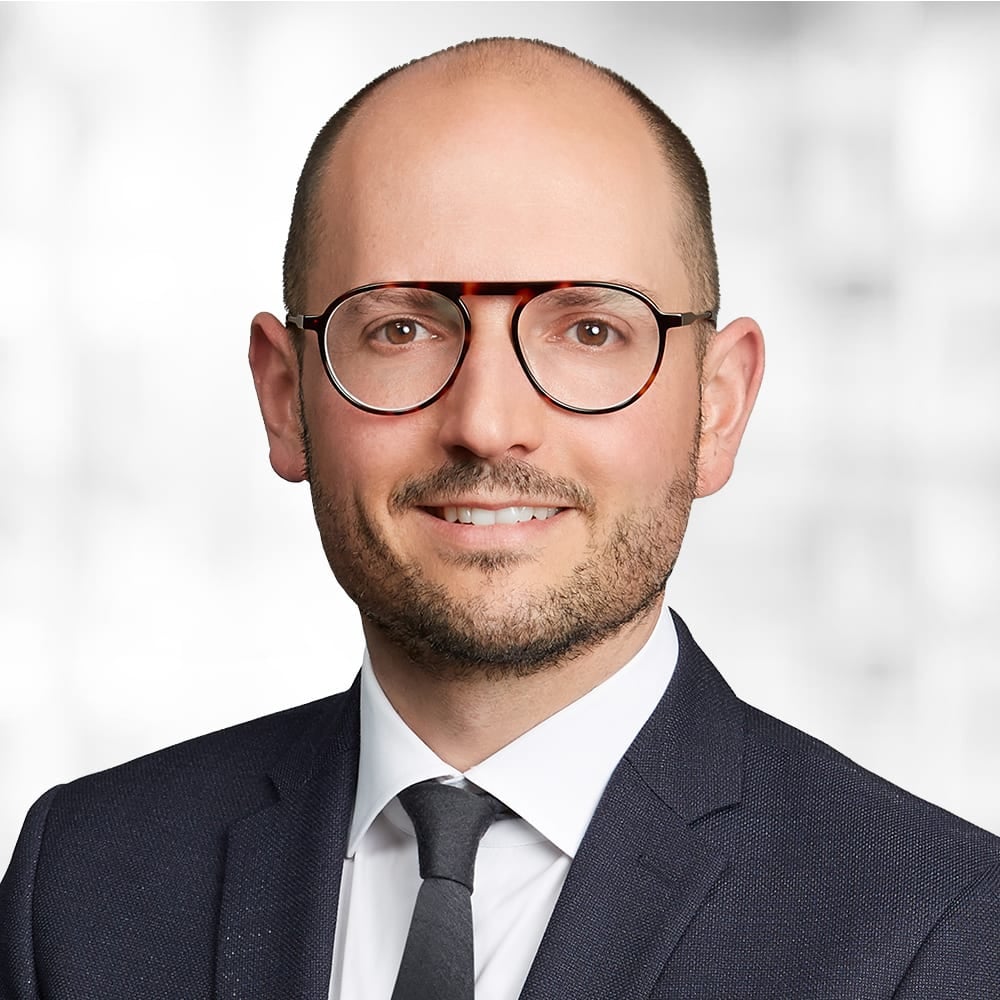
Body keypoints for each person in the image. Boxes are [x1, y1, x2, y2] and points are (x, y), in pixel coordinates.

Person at [2, 36, 998, 1000]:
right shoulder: (81, 882)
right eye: (401, 328)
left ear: (719, 406)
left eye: (590, 330)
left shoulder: (938, 934)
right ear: (283, 396)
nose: (485, 423)